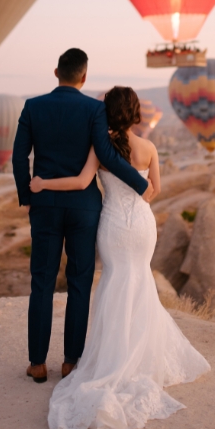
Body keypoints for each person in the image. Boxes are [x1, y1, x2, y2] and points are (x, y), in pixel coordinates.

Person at [32, 86, 210, 429]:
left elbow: (82, 181)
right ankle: (140, 356)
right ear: (135, 114)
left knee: (115, 282)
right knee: (140, 282)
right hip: (142, 226)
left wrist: (42, 183)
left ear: (107, 114)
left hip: (113, 225)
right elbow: (154, 191)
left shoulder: (101, 147)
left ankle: (112, 358)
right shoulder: (150, 148)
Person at [14, 48, 151, 384]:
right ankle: (71, 362)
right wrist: (139, 184)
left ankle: (37, 363)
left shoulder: (33, 106)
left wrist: (27, 196)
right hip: (84, 209)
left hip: (45, 206)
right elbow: (106, 153)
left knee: (42, 284)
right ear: (84, 77)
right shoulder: (94, 109)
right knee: (78, 284)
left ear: (56, 72)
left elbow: (19, 158)